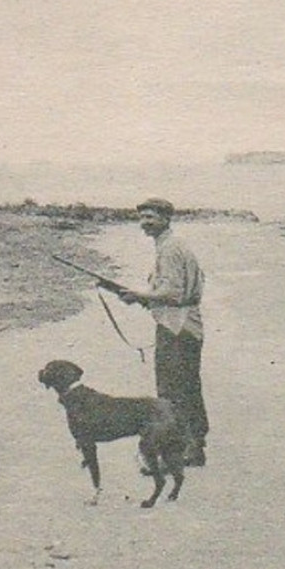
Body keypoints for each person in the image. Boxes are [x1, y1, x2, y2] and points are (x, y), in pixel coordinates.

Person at [119, 198, 208, 465]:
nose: (145, 223)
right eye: (142, 217)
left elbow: (173, 292)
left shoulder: (170, 249)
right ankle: (194, 446)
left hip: (177, 326)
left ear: (166, 219)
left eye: (151, 217)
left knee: (173, 391)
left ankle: (185, 450)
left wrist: (139, 295)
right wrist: (146, 298)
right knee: (187, 387)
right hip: (184, 323)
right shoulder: (172, 245)